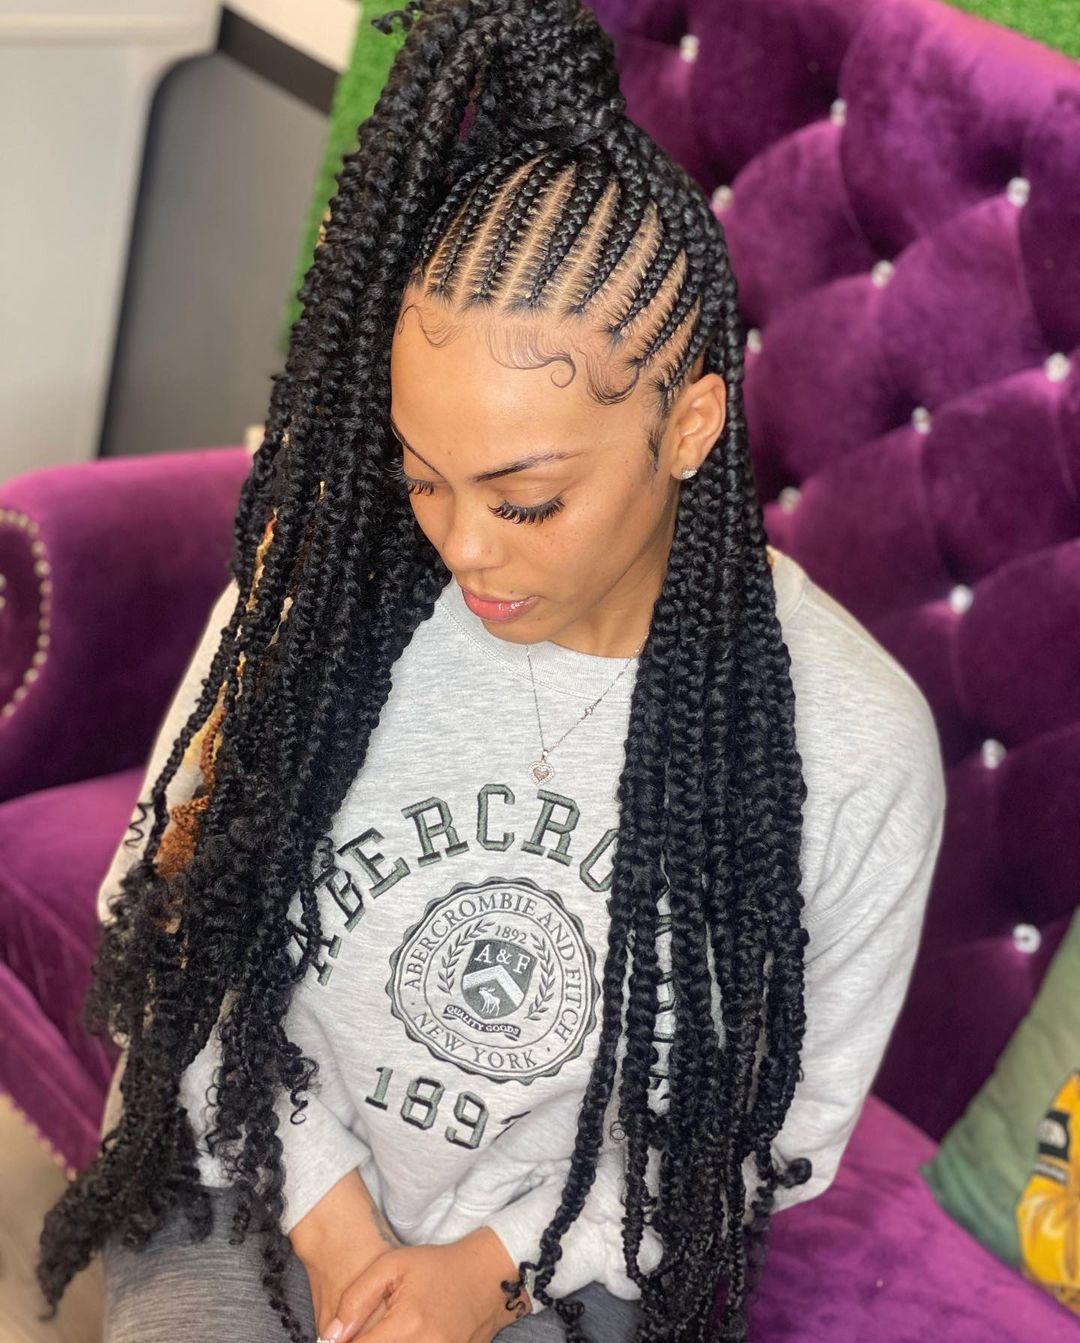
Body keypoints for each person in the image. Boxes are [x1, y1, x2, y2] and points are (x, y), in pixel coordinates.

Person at [34, 2, 947, 1340]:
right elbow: (166, 919)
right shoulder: (318, 598)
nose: (461, 546)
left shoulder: (852, 744)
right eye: (422, 477)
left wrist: (497, 1266)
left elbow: (777, 1130)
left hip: (561, 1248)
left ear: (689, 422)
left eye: (526, 499)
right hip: (237, 1159)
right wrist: (335, 1222)